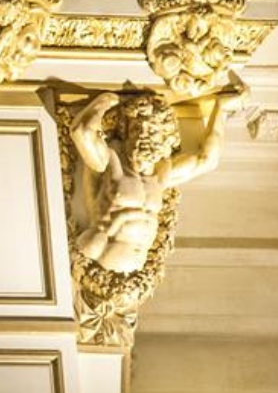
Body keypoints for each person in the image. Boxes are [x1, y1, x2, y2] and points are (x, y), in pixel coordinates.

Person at [69, 81, 244, 273]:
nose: (144, 136)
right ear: (126, 131)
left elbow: (207, 160)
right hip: (104, 254)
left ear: (162, 139)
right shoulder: (110, 161)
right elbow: (81, 131)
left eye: (152, 132)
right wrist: (109, 100)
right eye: (137, 129)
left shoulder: (161, 175)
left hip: (138, 263)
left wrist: (221, 107)